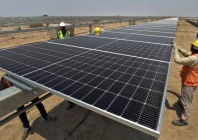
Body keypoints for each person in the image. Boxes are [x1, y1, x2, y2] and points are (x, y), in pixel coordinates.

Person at [172, 40, 198, 126]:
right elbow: (187, 54)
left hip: (190, 82)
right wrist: (179, 48)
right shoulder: (195, 55)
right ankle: (181, 103)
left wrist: (175, 51)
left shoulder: (194, 58)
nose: (190, 47)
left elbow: (178, 60)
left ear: (194, 48)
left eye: (192, 46)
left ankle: (184, 120)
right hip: (189, 80)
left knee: (187, 101)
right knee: (185, 95)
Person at [58, 22, 75, 110]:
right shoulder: (59, 33)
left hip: (69, 53)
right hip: (62, 54)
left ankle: (71, 101)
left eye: (63, 27)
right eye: (61, 27)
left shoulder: (68, 33)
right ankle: (70, 101)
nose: (62, 28)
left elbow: (72, 41)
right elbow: (58, 41)